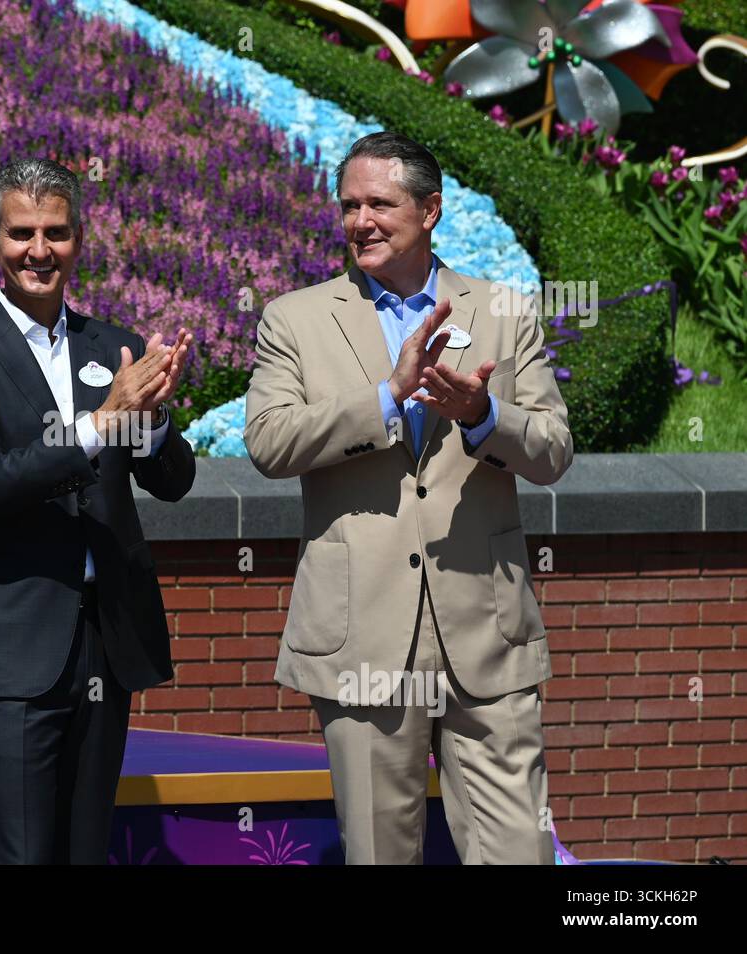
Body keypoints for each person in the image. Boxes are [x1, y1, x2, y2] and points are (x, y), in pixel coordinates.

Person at [245, 131, 573, 864]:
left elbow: (552, 450)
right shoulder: (294, 319)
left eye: (380, 204)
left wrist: (484, 417)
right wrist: (386, 398)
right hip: (361, 635)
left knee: (520, 851)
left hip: (487, 637)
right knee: (379, 854)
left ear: (430, 210)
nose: (360, 220)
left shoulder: (502, 311)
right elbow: (268, 442)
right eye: (349, 205)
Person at [0, 159, 196, 864]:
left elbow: (173, 479)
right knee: (19, 854)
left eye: (56, 232)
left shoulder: (114, 347)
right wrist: (103, 423)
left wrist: (152, 420)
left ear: (79, 238)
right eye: (21, 233)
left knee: (85, 851)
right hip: (11, 648)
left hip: (106, 637)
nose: (39, 250)